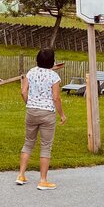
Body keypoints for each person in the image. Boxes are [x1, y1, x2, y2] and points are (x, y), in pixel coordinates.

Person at [17, 48, 67, 190]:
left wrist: (29, 103)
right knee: (46, 146)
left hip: (31, 111)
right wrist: (62, 115)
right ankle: (43, 180)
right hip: (47, 113)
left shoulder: (31, 72)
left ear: (37, 59)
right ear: (52, 61)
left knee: (28, 142)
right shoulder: (54, 76)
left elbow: (23, 91)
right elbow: (56, 98)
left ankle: (21, 175)